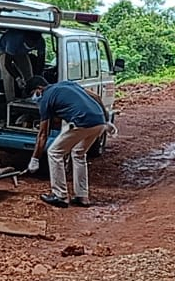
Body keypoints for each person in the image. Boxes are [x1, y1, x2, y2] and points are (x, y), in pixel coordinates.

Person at [26, 76, 116, 208]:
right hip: (99, 121)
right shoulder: (67, 84)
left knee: (54, 152)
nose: (34, 97)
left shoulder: (45, 99)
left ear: (39, 89)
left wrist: (35, 159)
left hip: (82, 122)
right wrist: (105, 118)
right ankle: (82, 196)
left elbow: (43, 134)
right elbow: (96, 96)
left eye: (33, 94)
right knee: (78, 153)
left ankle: (60, 196)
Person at [0, 29, 45, 101]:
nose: (31, 45)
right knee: (8, 77)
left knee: (29, 75)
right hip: (4, 50)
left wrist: (38, 77)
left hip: (22, 52)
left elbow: (41, 61)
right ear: (25, 38)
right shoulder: (14, 39)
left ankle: (29, 98)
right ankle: (10, 102)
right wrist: (18, 78)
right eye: (30, 43)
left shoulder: (40, 42)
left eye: (33, 44)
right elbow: (7, 64)